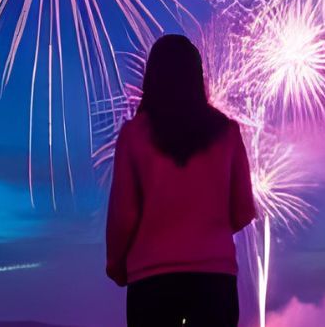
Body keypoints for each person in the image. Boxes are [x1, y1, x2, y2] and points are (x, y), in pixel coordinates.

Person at [105, 34, 258, 327]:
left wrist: (116, 266)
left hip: (151, 281)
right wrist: (207, 232)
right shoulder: (227, 132)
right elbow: (243, 211)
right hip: (215, 280)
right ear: (197, 76)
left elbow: (124, 214)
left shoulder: (133, 135)